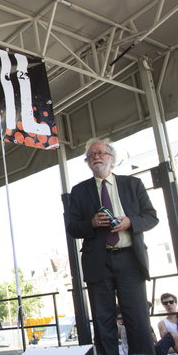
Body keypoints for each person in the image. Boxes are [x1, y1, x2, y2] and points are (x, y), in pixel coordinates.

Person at [67, 137, 159, 355]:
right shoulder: (79, 191)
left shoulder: (132, 184)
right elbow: (72, 228)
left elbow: (151, 217)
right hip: (98, 262)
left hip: (130, 259)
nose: (96, 157)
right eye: (91, 155)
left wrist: (130, 222)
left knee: (137, 319)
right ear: (87, 162)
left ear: (112, 158)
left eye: (101, 153)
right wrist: (90, 223)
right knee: (103, 321)